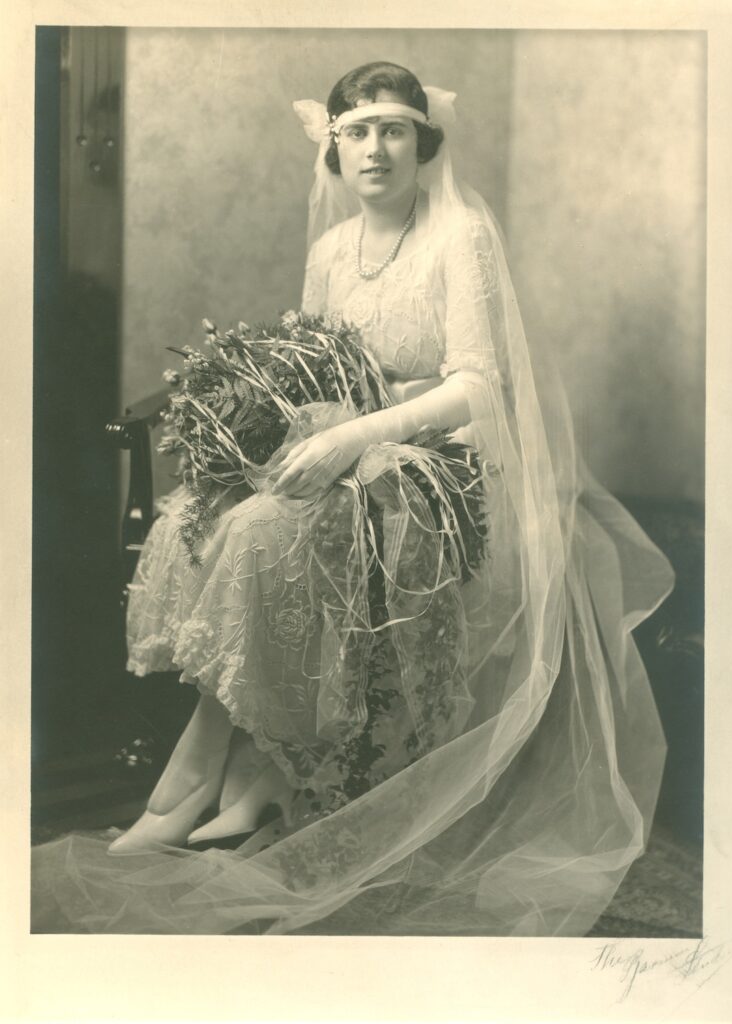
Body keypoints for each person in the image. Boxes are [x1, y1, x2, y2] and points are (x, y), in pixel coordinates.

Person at [31, 62, 674, 937]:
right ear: (333, 147)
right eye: (357, 132)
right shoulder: (331, 250)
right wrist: (276, 434)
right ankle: (254, 765)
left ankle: (195, 772)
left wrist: (347, 442)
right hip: (346, 442)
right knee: (202, 515)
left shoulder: (460, 237)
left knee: (263, 532)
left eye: (394, 130)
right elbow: (317, 375)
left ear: (423, 142)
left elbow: (479, 391)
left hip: (438, 459)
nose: (375, 149)